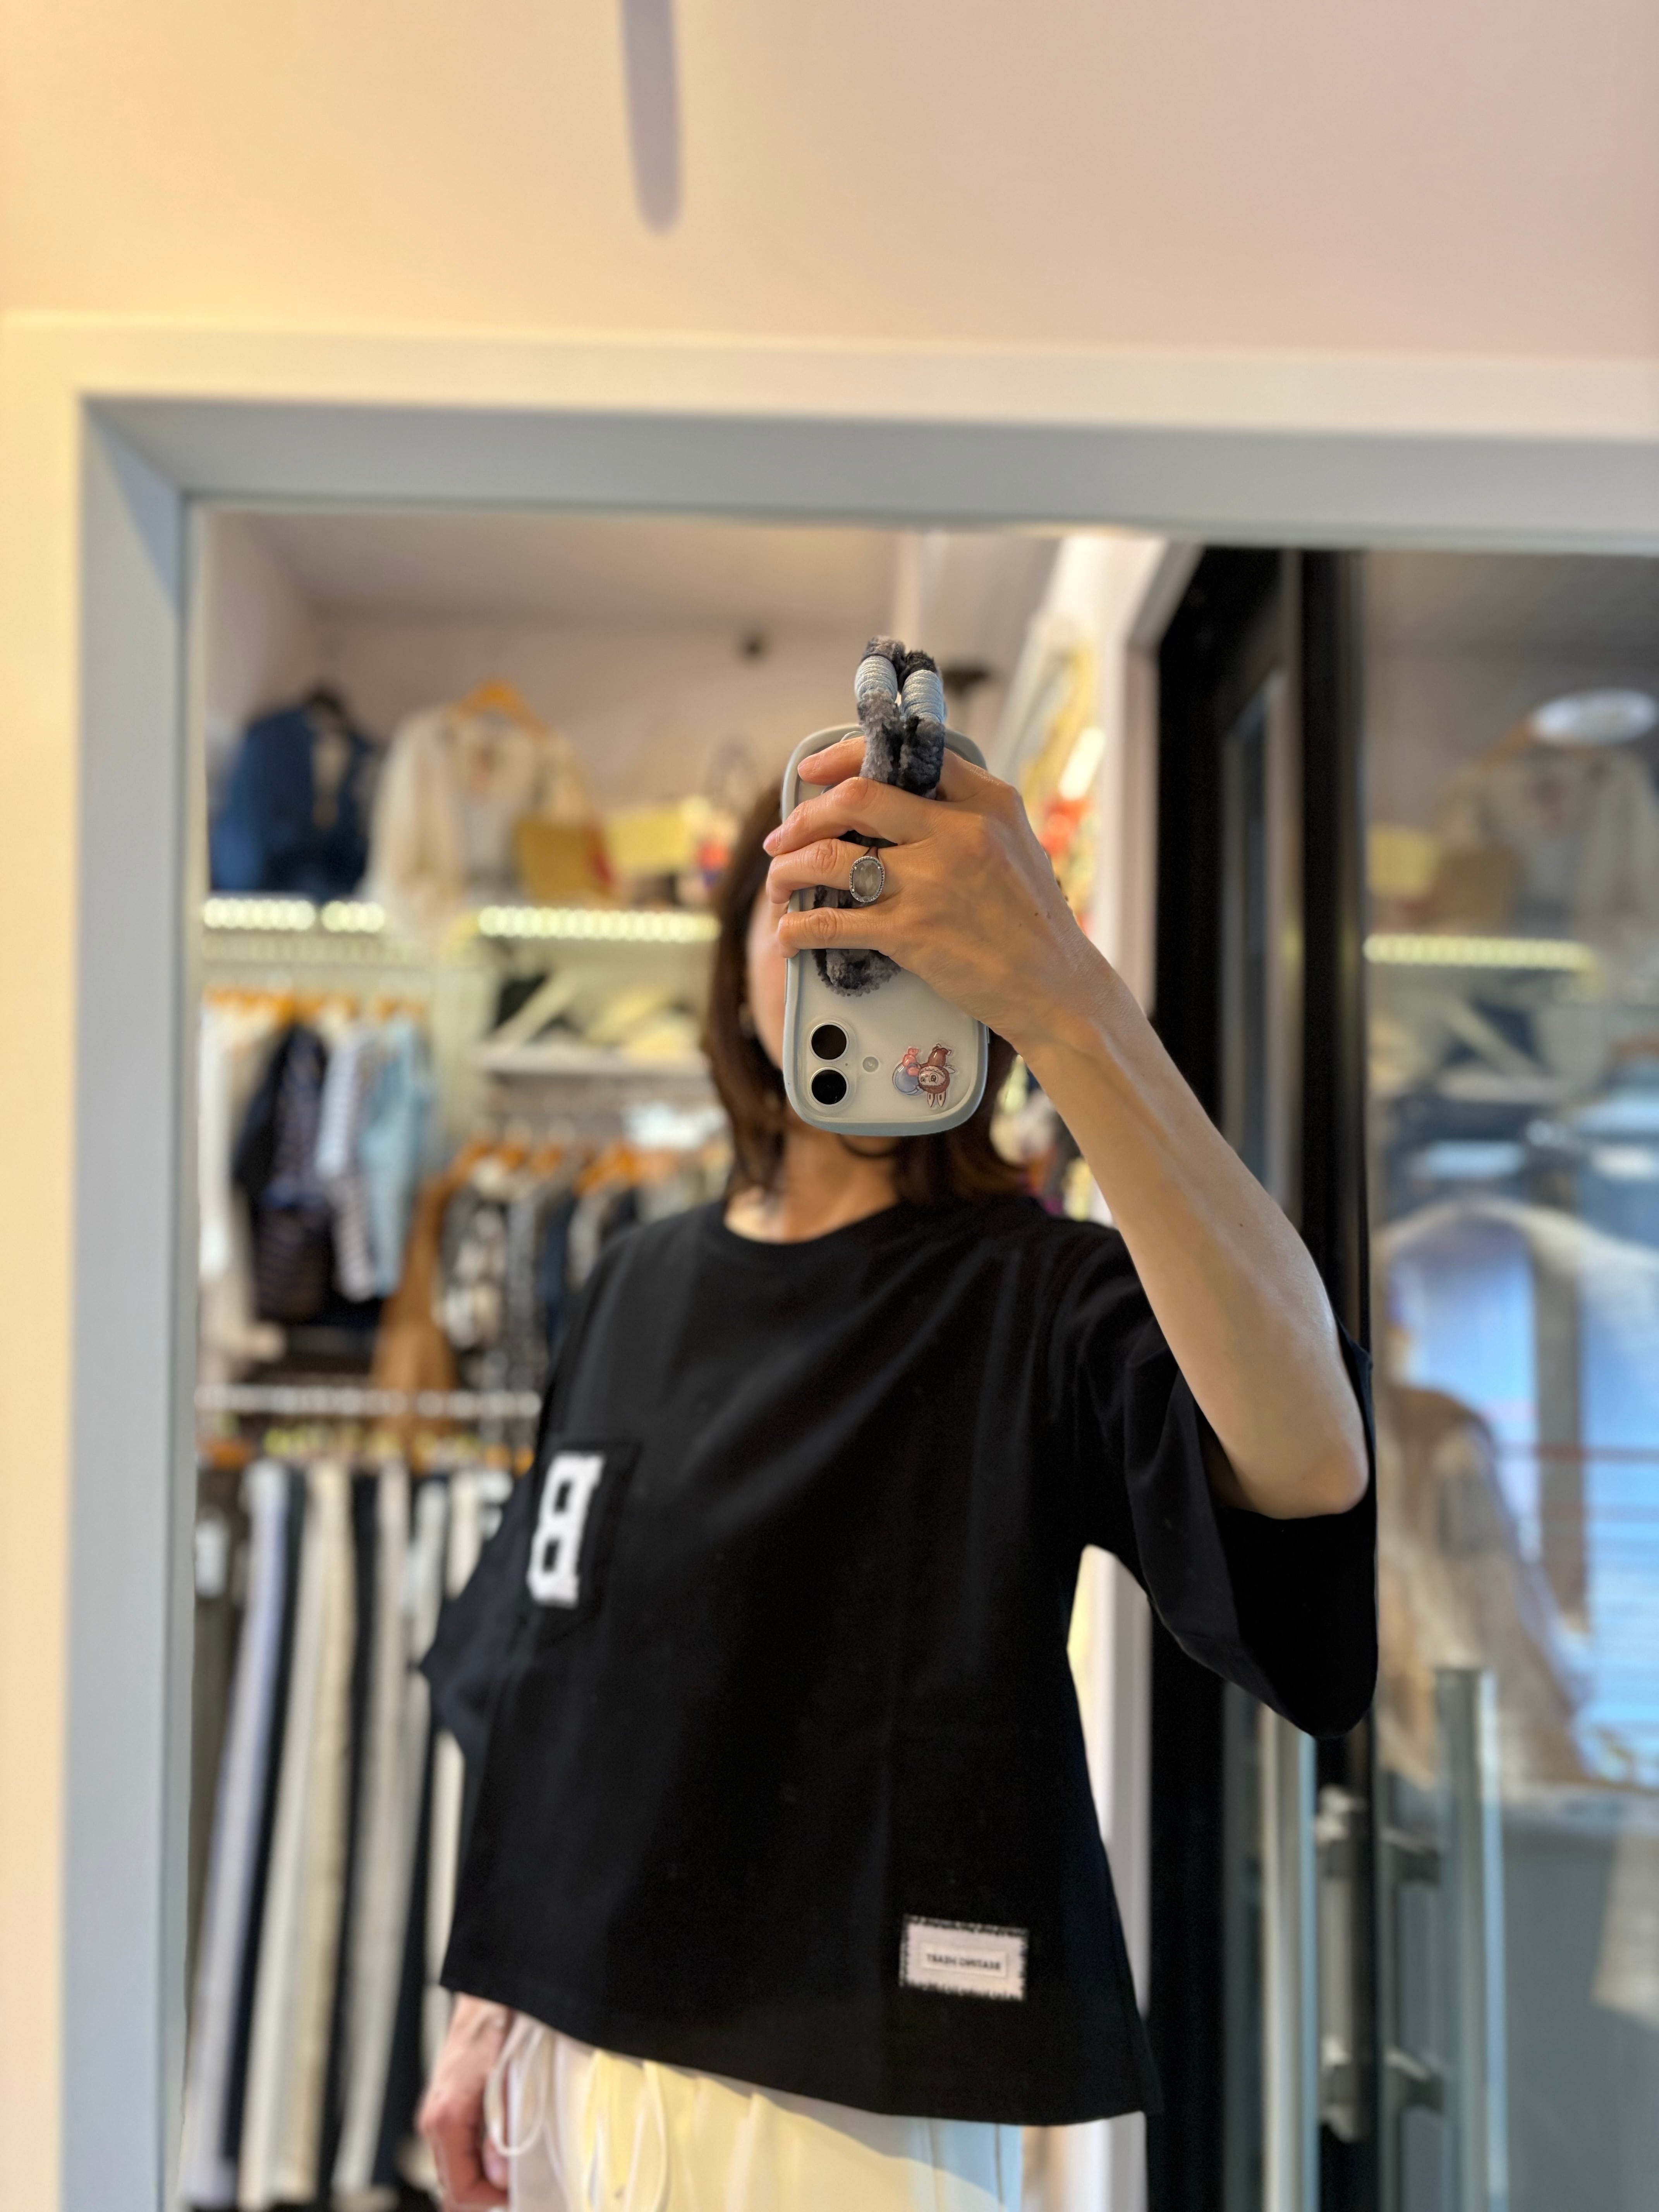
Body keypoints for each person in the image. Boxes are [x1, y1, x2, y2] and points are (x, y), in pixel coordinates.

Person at [418, 736, 1375, 2212]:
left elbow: (1309, 1465)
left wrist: (1064, 998)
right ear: (738, 957)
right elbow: (548, 1672)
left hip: (829, 2104)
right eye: (808, 892)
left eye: (894, 898)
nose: (850, 933)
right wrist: (491, 1993)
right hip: (558, 2057)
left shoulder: (1044, 1299)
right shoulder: (634, 1280)